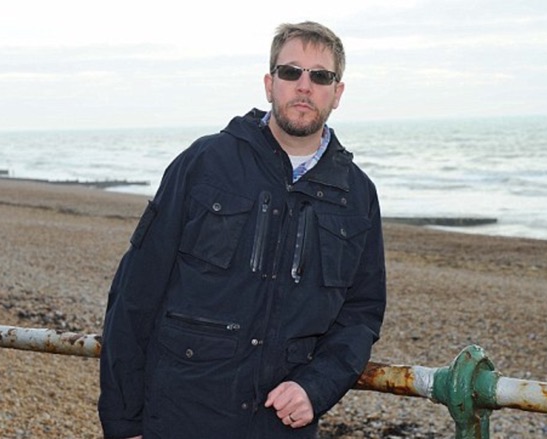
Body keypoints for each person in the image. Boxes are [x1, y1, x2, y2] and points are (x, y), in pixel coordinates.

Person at [98, 21, 387, 439]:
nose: (304, 86)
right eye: (291, 72)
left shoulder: (356, 195)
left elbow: (361, 315)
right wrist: (124, 423)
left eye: (320, 76)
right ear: (270, 84)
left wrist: (316, 387)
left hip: (278, 427)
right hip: (180, 418)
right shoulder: (204, 163)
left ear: (337, 92)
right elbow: (134, 295)